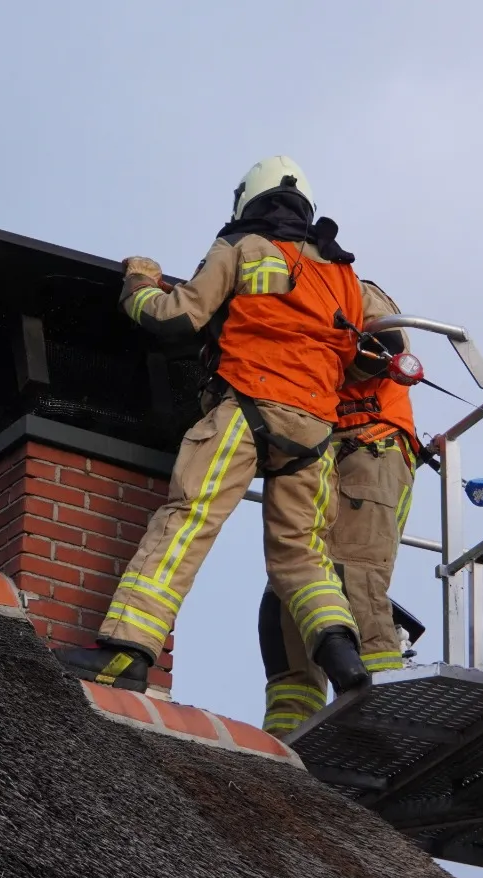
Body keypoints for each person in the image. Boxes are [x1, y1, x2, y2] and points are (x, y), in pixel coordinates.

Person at [55, 156, 404, 696]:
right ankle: (342, 655)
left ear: (248, 201)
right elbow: (381, 354)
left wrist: (138, 282)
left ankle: (127, 652)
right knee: (302, 553)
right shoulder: (343, 275)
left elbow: (175, 318)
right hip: (313, 428)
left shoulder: (239, 247)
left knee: (187, 521)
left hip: (244, 407)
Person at [259, 279, 420, 738]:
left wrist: (311, 357)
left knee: (353, 574)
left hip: (369, 444)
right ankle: (285, 744)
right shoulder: (272, 301)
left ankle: (384, 720)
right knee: (287, 595)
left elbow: (389, 345)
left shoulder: (349, 289)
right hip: (315, 449)